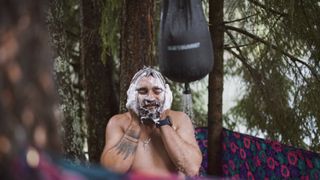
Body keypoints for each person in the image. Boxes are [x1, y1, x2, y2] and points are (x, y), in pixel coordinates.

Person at [100, 67, 202, 177]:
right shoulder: (118, 123)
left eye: (157, 91)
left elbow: (191, 169)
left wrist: (163, 120)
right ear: (132, 95)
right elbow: (111, 171)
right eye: (143, 91)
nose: (150, 97)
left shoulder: (180, 120)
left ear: (167, 95)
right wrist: (135, 123)